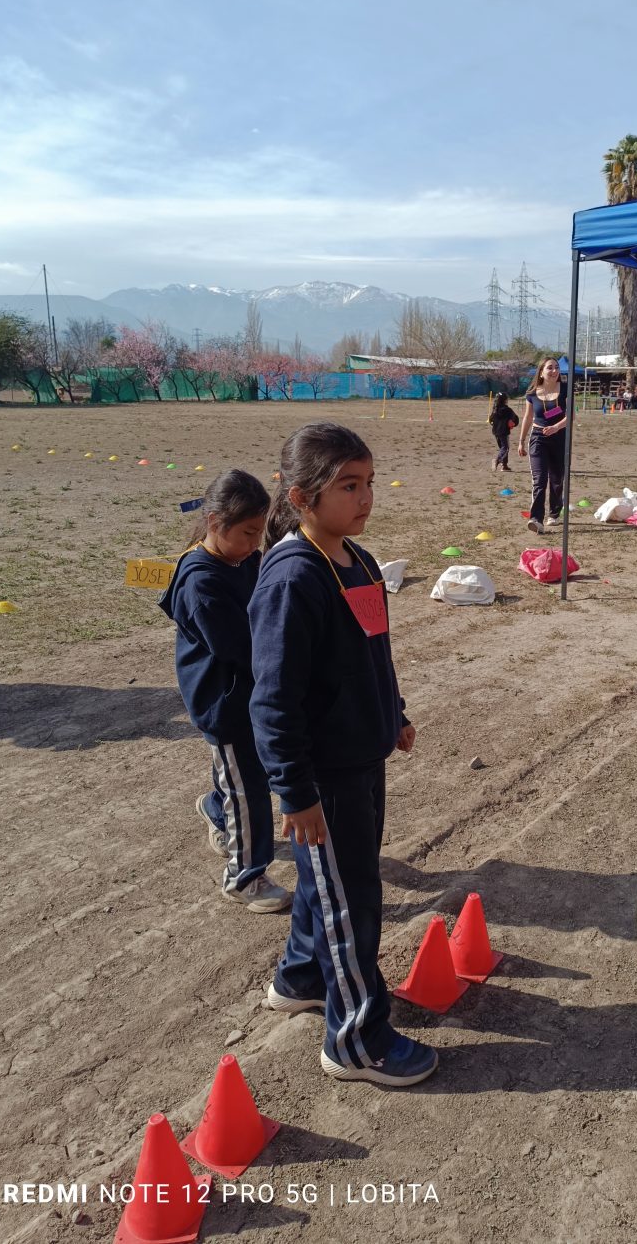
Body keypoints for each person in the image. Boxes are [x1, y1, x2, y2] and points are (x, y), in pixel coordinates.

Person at [249, 422, 437, 1087]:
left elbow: (369, 654)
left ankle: (301, 976)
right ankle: (356, 1038)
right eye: (347, 486)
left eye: (369, 483)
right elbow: (272, 700)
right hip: (324, 779)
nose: (364, 498)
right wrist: (294, 790)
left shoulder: (354, 559)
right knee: (349, 898)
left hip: (364, 759)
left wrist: (395, 716)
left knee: (328, 883)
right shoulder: (293, 579)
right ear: (301, 497)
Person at [159, 469, 292, 913]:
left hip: (251, 694)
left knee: (239, 780)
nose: (256, 543)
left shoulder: (244, 559)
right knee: (249, 789)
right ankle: (244, 878)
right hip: (226, 703)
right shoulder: (202, 582)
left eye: (260, 533)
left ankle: (217, 810)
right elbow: (241, 648)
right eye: (248, 533)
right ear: (215, 523)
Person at [517, 356, 567, 532]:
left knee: (557, 479)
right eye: (550, 368)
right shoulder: (532, 393)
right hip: (538, 437)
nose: (554, 371)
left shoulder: (565, 389)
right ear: (541, 371)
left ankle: (554, 513)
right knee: (539, 480)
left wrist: (556, 427)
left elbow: (571, 416)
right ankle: (536, 519)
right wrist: (521, 441)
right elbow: (528, 417)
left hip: (559, 437)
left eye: (556, 368)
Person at [489, 392, 519, 471]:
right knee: (505, 448)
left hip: (496, 432)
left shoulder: (495, 410)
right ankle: (497, 460)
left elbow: (490, 420)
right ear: (505, 400)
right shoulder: (508, 410)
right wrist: (513, 423)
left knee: (502, 447)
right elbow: (516, 419)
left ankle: (504, 466)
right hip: (504, 432)